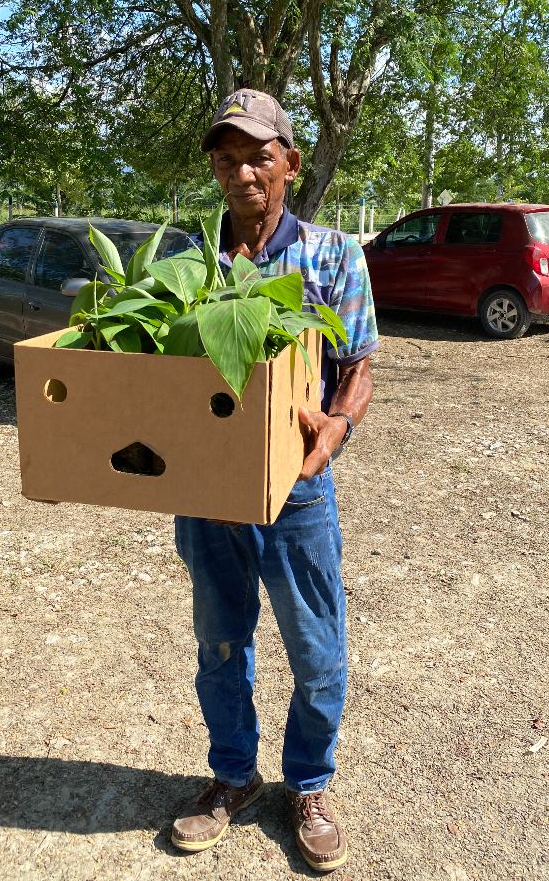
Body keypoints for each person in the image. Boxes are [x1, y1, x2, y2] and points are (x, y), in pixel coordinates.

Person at [171, 89, 378, 873]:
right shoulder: (191, 265)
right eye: (227, 157)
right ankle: (232, 776)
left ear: (291, 162)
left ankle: (311, 783)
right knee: (220, 644)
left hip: (297, 489)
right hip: (207, 491)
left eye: (259, 154)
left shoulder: (331, 255)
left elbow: (356, 363)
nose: (242, 170)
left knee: (317, 649)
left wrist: (338, 426)